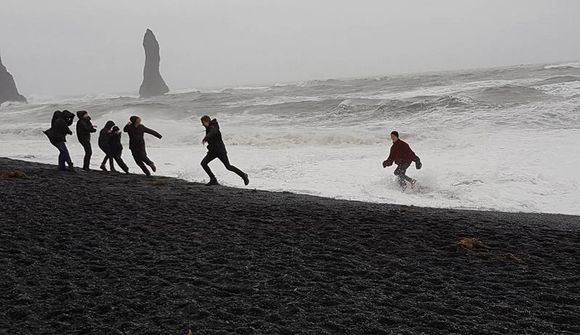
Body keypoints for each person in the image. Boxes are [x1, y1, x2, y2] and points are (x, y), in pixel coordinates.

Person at [200, 115, 249, 186]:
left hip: (220, 151)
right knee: (203, 163)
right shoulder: (209, 128)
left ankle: (244, 175)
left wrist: (206, 137)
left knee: (228, 167)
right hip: (212, 152)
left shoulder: (214, 126)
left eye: (203, 123)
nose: (202, 125)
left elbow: (213, 132)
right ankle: (213, 179)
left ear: (206, 121)